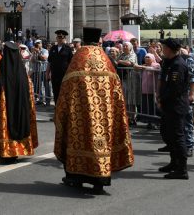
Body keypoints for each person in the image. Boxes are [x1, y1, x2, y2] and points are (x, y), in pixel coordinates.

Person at [55, 27, 134, 193]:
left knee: (77, 140)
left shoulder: (78, 59)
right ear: (99, 40)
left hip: (79, 114)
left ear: (83, 40)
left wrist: (62, 109)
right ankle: (99, 181)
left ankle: (75, 178)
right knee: (101, 143)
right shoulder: (105, 59)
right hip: (104, 115)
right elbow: (116, 90)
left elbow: (66, 88)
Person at [0, 41, 38, 162]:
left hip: (3, 110)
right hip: (21, 111)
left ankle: (3, 150)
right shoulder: (23, 75)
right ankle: (17, 150)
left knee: (3, 124)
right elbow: (30, 95)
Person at [157, 38, 190, 179]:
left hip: (176, 105)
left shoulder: (178, 65)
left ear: (169, 49)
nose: (161, 49)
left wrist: (161, 99)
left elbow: (174, 89)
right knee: (168, 134)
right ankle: (174, 162)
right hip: (168, 104)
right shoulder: (168, 62)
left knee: (177, 137)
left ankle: (182, 169)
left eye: (163, 47)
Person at [47, 29, 73, 106]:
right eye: (58, 37)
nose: (60, 39)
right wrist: (47, 73)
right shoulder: (53, 48)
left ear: (65, 39)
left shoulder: (68, 49)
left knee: (64, 93)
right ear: (56, 38)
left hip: (64, 75)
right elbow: (49, 62)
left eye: (61, 37)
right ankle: (56, 113)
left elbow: (71, 62)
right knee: (55, 93)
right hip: (55, 75)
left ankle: (63, 113)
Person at [135, 53, 161, 129]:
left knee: (154, 107)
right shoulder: (144, 65)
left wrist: (141, 67)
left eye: (148, 57)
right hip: (144, 89)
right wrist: (141, 67)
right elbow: (135, 68)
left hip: (153, 90)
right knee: (147, 107)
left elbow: (153, 69)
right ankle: (149, 122)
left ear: (152, 58)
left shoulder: (156, 65)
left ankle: (156, 122)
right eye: (145, 57)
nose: (146, 59)